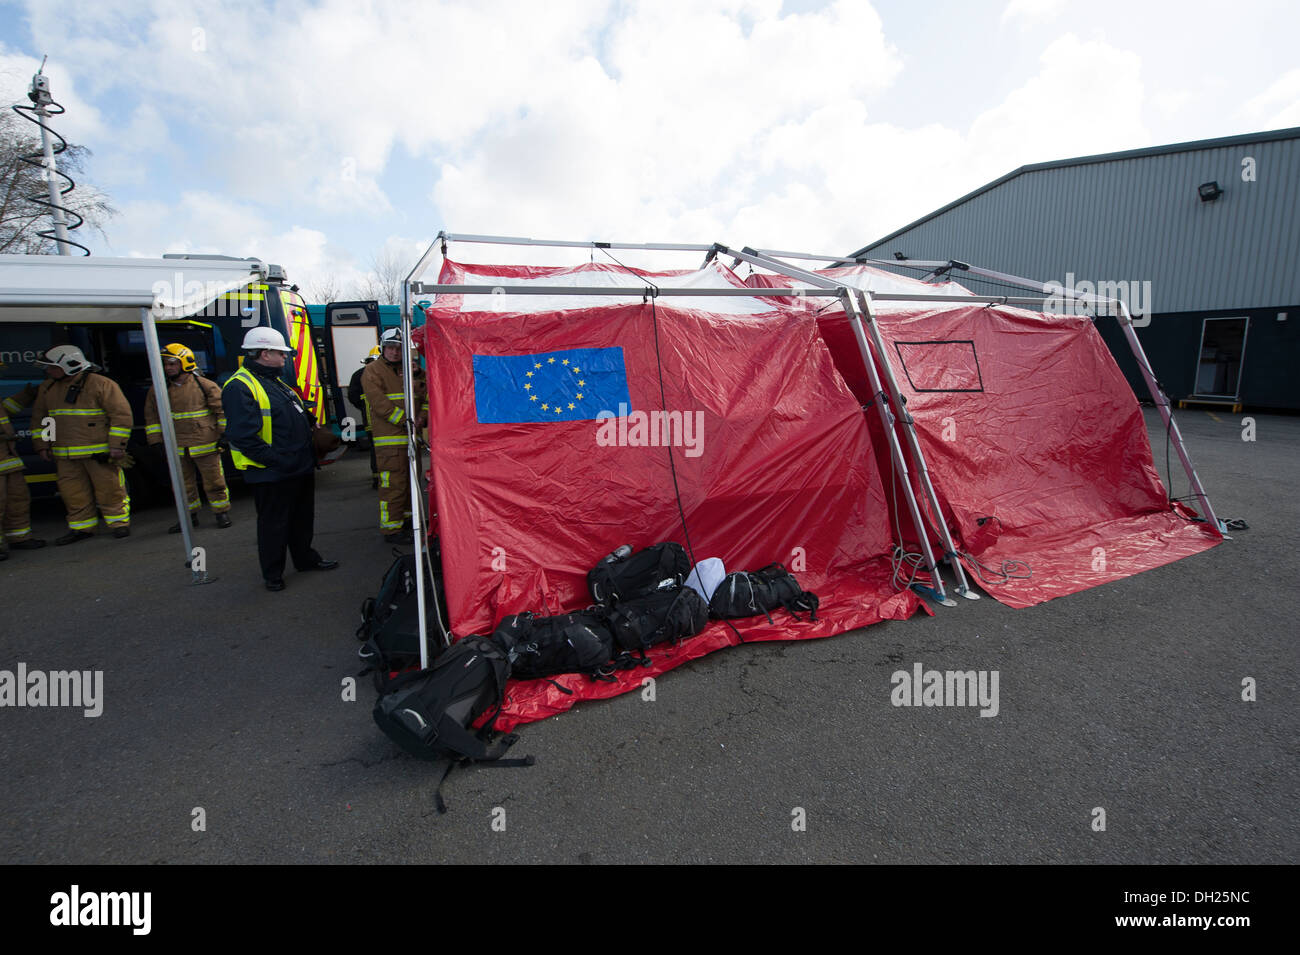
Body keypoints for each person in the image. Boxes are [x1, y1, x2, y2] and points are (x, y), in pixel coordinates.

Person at [222, 327, 337, 591]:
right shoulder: (240, 386)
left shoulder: (274, 380)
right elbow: (243, 437)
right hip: (272, 471)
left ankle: (305, 559)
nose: (285, 358)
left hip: (297, 466)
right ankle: (273, 574)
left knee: (301, 519)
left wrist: (308, 419)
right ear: (265, 353)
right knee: (274, 525)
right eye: (280, 353)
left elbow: (287, 411)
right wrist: (277, 461)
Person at [30, 345, 134, 544]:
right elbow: (42, 419)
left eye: (52, 367)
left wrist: (117, 446)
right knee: (73, 494)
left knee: (110, 489)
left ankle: (119, 523)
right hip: (65, 454)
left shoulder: (102, 384)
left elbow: (121, 416)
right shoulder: (48, 387)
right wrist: (42, 444)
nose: (48, 371)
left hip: (98, 452)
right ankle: (82, 528)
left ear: (69, 365)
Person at [144, 343, 232, 532]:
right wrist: (156, 441)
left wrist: (224, 436)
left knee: (215, 481)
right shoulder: (158, 390)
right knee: (182, 485)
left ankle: (221, 513)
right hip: (177, 445)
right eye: (165, 364)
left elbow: (222, 411)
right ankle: (189, 517)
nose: (167, 368)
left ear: (185, 363)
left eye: (171, 364)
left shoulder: (205, 385)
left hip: (205, 443)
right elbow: (152, 417)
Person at [361, 327, 426, 543]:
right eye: (391, 348)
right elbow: (380, 404)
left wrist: (422, 417)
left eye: (399, 348)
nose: (395, 352)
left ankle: (406, 522)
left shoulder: (409, 370)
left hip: (410, 439)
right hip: (390, 443)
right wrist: (405, 420)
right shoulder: (372, 371)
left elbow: (426, 395)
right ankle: (392, 530)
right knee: (393, 486)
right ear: (383, 347)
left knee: (411, 485)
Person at [0, 389, 46, 558]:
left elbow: (7, 408)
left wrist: (27, 394)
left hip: (8, 459)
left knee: (17, 500)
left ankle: (19, 538)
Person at [347, 347, 380, 489]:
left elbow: (353, 397)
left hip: (370, 420)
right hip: (379, 421)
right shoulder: (383, 373)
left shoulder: (358, 375)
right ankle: (377, 478)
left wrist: (362, 406)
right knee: (380, 450)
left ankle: (377, 478)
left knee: (375, 449)